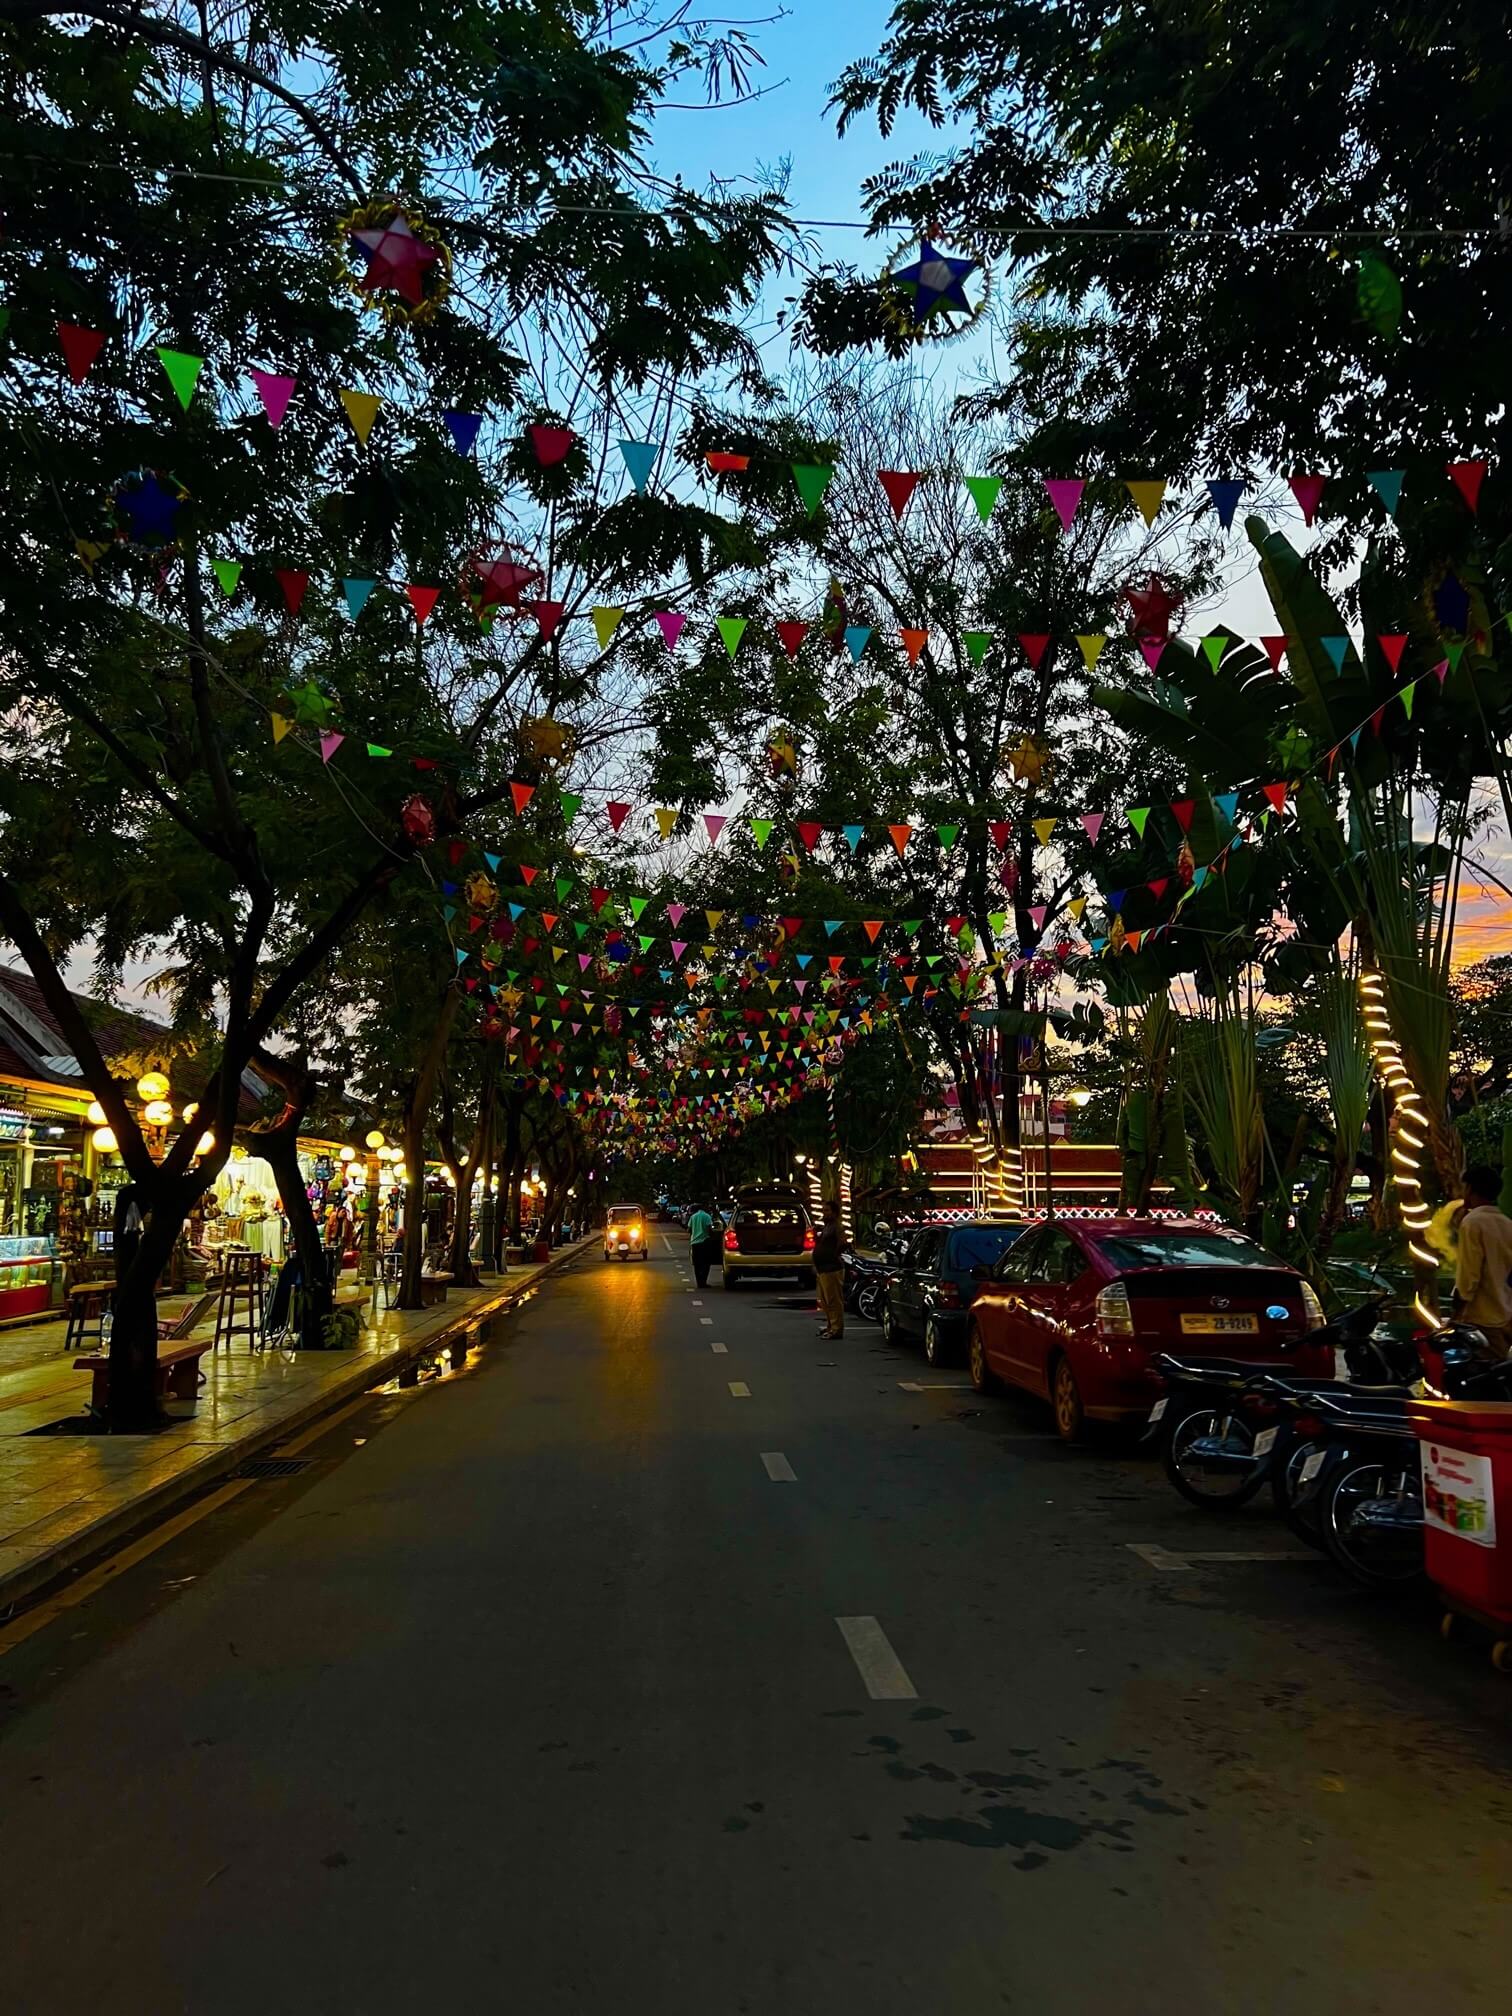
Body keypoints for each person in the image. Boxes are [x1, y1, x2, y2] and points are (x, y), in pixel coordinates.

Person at [1452, 1163, 1512, 1357]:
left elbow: (1469, 1277)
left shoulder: (1472, 1223)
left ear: (1469, 1189)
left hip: (1482, 1319)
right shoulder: (1506, 1222)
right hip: (1506, 1314)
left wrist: (1456, 1315)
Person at [813, 1199, 845, 1340]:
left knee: (833, 1300)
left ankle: (837, 1329)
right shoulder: (827, 1226)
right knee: (825, 1301)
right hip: (822, 1269)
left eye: (827, 1210)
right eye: (823, 1210)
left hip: (831, 1268)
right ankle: (830, 1325)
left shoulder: (837, 1227)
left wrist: (833, 1255)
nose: (824, 1213)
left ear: (834, 1212)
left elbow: (843, 1243)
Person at [688, 1201, 720, 1289]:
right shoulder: (707, 1216)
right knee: (706, 1263)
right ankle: (703, 1281)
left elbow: (689, 1229)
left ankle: (699, 1282)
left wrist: (694, 1233)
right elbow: (709, 1228)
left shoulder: (693, 1217)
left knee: (697, 1264)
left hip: (695, 1243)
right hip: (705, 1242)